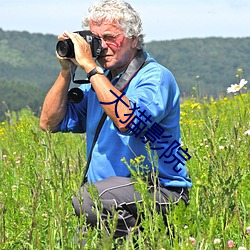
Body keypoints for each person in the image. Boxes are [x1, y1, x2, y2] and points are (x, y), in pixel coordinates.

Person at [40, 0, 192, 244]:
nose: (102, 47)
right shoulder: (99, 83)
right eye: (96, 39)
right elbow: (49, 123)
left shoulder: (154, 77)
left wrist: (90, 67)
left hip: (160, 191)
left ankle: (146, 241)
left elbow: (128, 120)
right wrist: (66, 70)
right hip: (111, 199)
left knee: (88, 199)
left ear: (133, 39)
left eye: (110, 37)